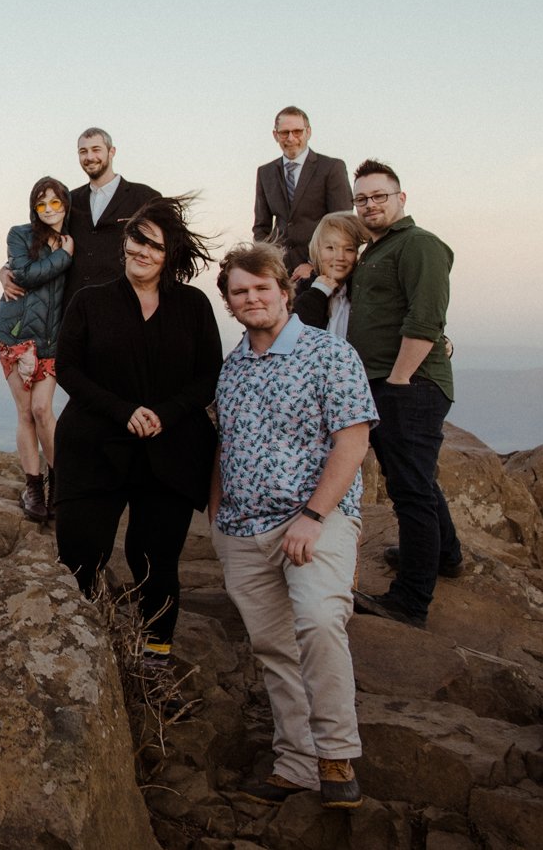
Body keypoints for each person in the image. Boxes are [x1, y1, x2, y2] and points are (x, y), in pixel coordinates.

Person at [211, 242, 376, 810]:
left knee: (319, 621)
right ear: (230, 304)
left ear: (285, 292)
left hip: (313, 521)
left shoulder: (329, 354)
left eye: (262, 287)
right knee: (274, 648)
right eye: (240, 291)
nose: (252, 298)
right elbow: (223, 444)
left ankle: (336, 756)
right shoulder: (230, 370)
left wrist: (312, 516)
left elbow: (352, 441)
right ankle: (297, 764)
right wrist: (216, 518)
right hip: (241, 530)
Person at [54, 194, 221, 687]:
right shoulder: (91, 300)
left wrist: (162, 416)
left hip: (169, 449)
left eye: (154, 245)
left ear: (171, 255)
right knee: (82, 553)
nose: (141, 251)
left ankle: (154, 654)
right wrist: (123, 411)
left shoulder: (193, 305)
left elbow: (208, 375)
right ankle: (83, 642)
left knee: (154, 557)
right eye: (136, 239)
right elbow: (69, 369)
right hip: (95, 444)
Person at [345, 160, 461, 628]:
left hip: (408, 386)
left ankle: (411, 601)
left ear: (401, 199)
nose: (370, 205)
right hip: (384, 384)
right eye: (362, 199)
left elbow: (425, 319)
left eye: (379, 196)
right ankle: (445, 556)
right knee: (416, 479)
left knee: (409, 491)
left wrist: (397, 382)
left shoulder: (420, 245)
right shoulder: (376, 250)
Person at [0, 128, 159, 320]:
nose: (90, 157)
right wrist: (5, 269)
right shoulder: (70, 200)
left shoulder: (145, 197)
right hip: (75, 313)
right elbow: (41, 239)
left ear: (112, 151)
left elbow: (164, 249)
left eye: (96, 149)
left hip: (124, 310)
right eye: (83, 152)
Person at [0, 176, 71, 523]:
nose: (49, 209)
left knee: (43, 410)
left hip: (53, 339)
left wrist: (67, 252)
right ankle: (34, 488)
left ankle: (60, 486)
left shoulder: (74, 239)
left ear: (66, 205)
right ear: (34, 207)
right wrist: (63, 258)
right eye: (42, 203)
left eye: (56, 202)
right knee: (25, 412)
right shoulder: (20, 234)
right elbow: (22, 274)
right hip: (16, 334)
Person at [254, 107, 353, 280]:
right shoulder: (265, 172)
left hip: (322, 272)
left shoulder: (331, 168)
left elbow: (342, 224)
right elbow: (261, 227)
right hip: (280, 274)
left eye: (297, 131)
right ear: (275, 135)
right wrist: (268, 264)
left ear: (308, 132)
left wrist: (313, 264)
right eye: (284, 133)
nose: (291, 138)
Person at [292, 212, 370, 337]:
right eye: (330, 248)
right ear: (317, 249)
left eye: (349, 249)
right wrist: (318, 293)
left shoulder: (361, 293)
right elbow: (294, 332)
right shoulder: (301, 290)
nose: (340, 257)